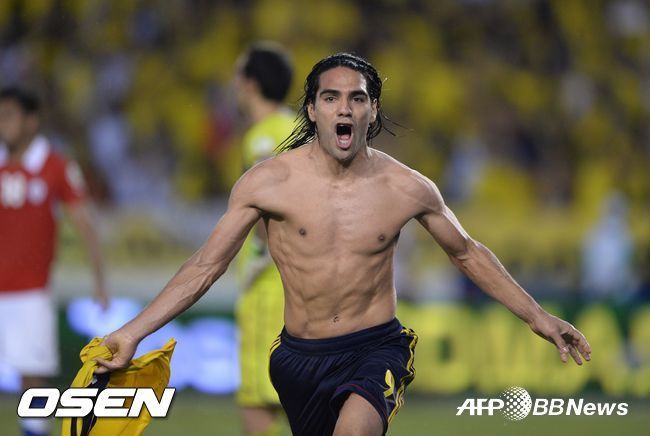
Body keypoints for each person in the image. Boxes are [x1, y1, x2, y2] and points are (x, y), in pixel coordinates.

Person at [95, 53, 591, 436]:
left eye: (357, 98)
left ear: (372, 111)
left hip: (376, 347)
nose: (345, 108)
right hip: (297, 358)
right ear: (312, 110)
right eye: (331, 98)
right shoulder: (267, 183)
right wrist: (134, 331)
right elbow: (206, 265)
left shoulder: (407, 188)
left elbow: (466, 252)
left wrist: (537, 316)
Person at [0, 87, 108, 436]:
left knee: (31, 378)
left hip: (30, 292)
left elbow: (85, 225)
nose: (2, 124)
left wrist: (99, 282)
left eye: (9, 116)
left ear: (31, 121)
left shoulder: (55, 166)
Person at [232, 42, 295, 436]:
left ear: (251, 84)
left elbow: (265, 199)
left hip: (269, 285)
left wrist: (258, 250)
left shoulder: (262, 137)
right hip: (303, 284)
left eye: (238, 75)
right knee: (302, 399)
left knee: (255, 402)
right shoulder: (298, 128)